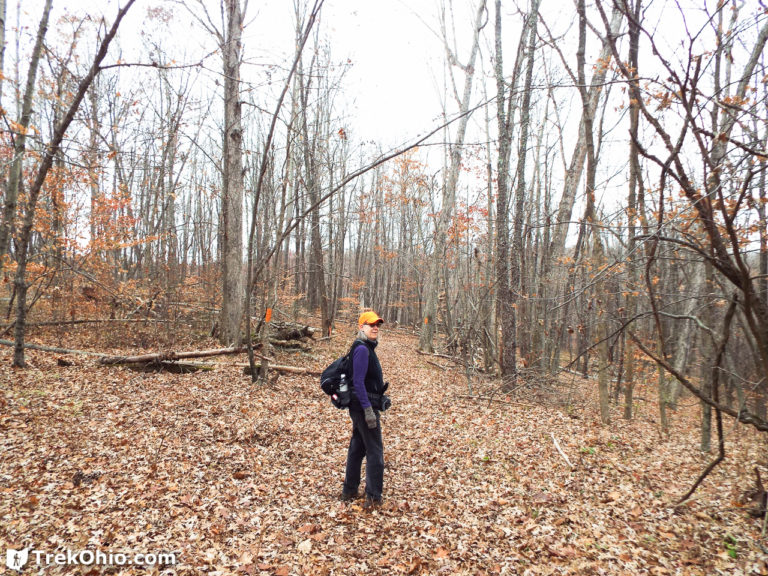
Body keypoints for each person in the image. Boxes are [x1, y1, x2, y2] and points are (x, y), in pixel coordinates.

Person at [340, 310, 390, 509]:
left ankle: (350, 489)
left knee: (358, 447)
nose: (375, 327)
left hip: (361, 405)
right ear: (361, 327)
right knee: (375, 451)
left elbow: (366, 381)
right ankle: (373, 497)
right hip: (362, 407)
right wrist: (369, 410)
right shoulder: (362, 349)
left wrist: (379, 396)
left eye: (377, 324)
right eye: (371, 325)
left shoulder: (366, 347)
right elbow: (358, 382)